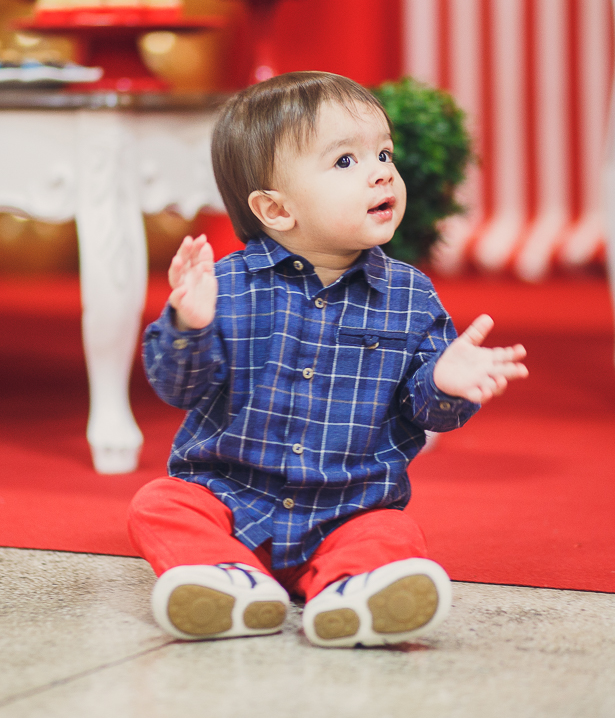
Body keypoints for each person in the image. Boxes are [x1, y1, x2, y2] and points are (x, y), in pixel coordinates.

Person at [128, 71, 528, 648]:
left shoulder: (410, 296)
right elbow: (178, 388)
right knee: (160, 503)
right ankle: (228, 579)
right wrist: (188, 325)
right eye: (346, 161)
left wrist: (445, 383)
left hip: (348, 511)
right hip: (231, 502)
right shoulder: (226, 287)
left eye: (384, 154)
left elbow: (427, 413)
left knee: (393, 531)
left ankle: (352, 591)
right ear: (275, 208)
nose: (382, 172)